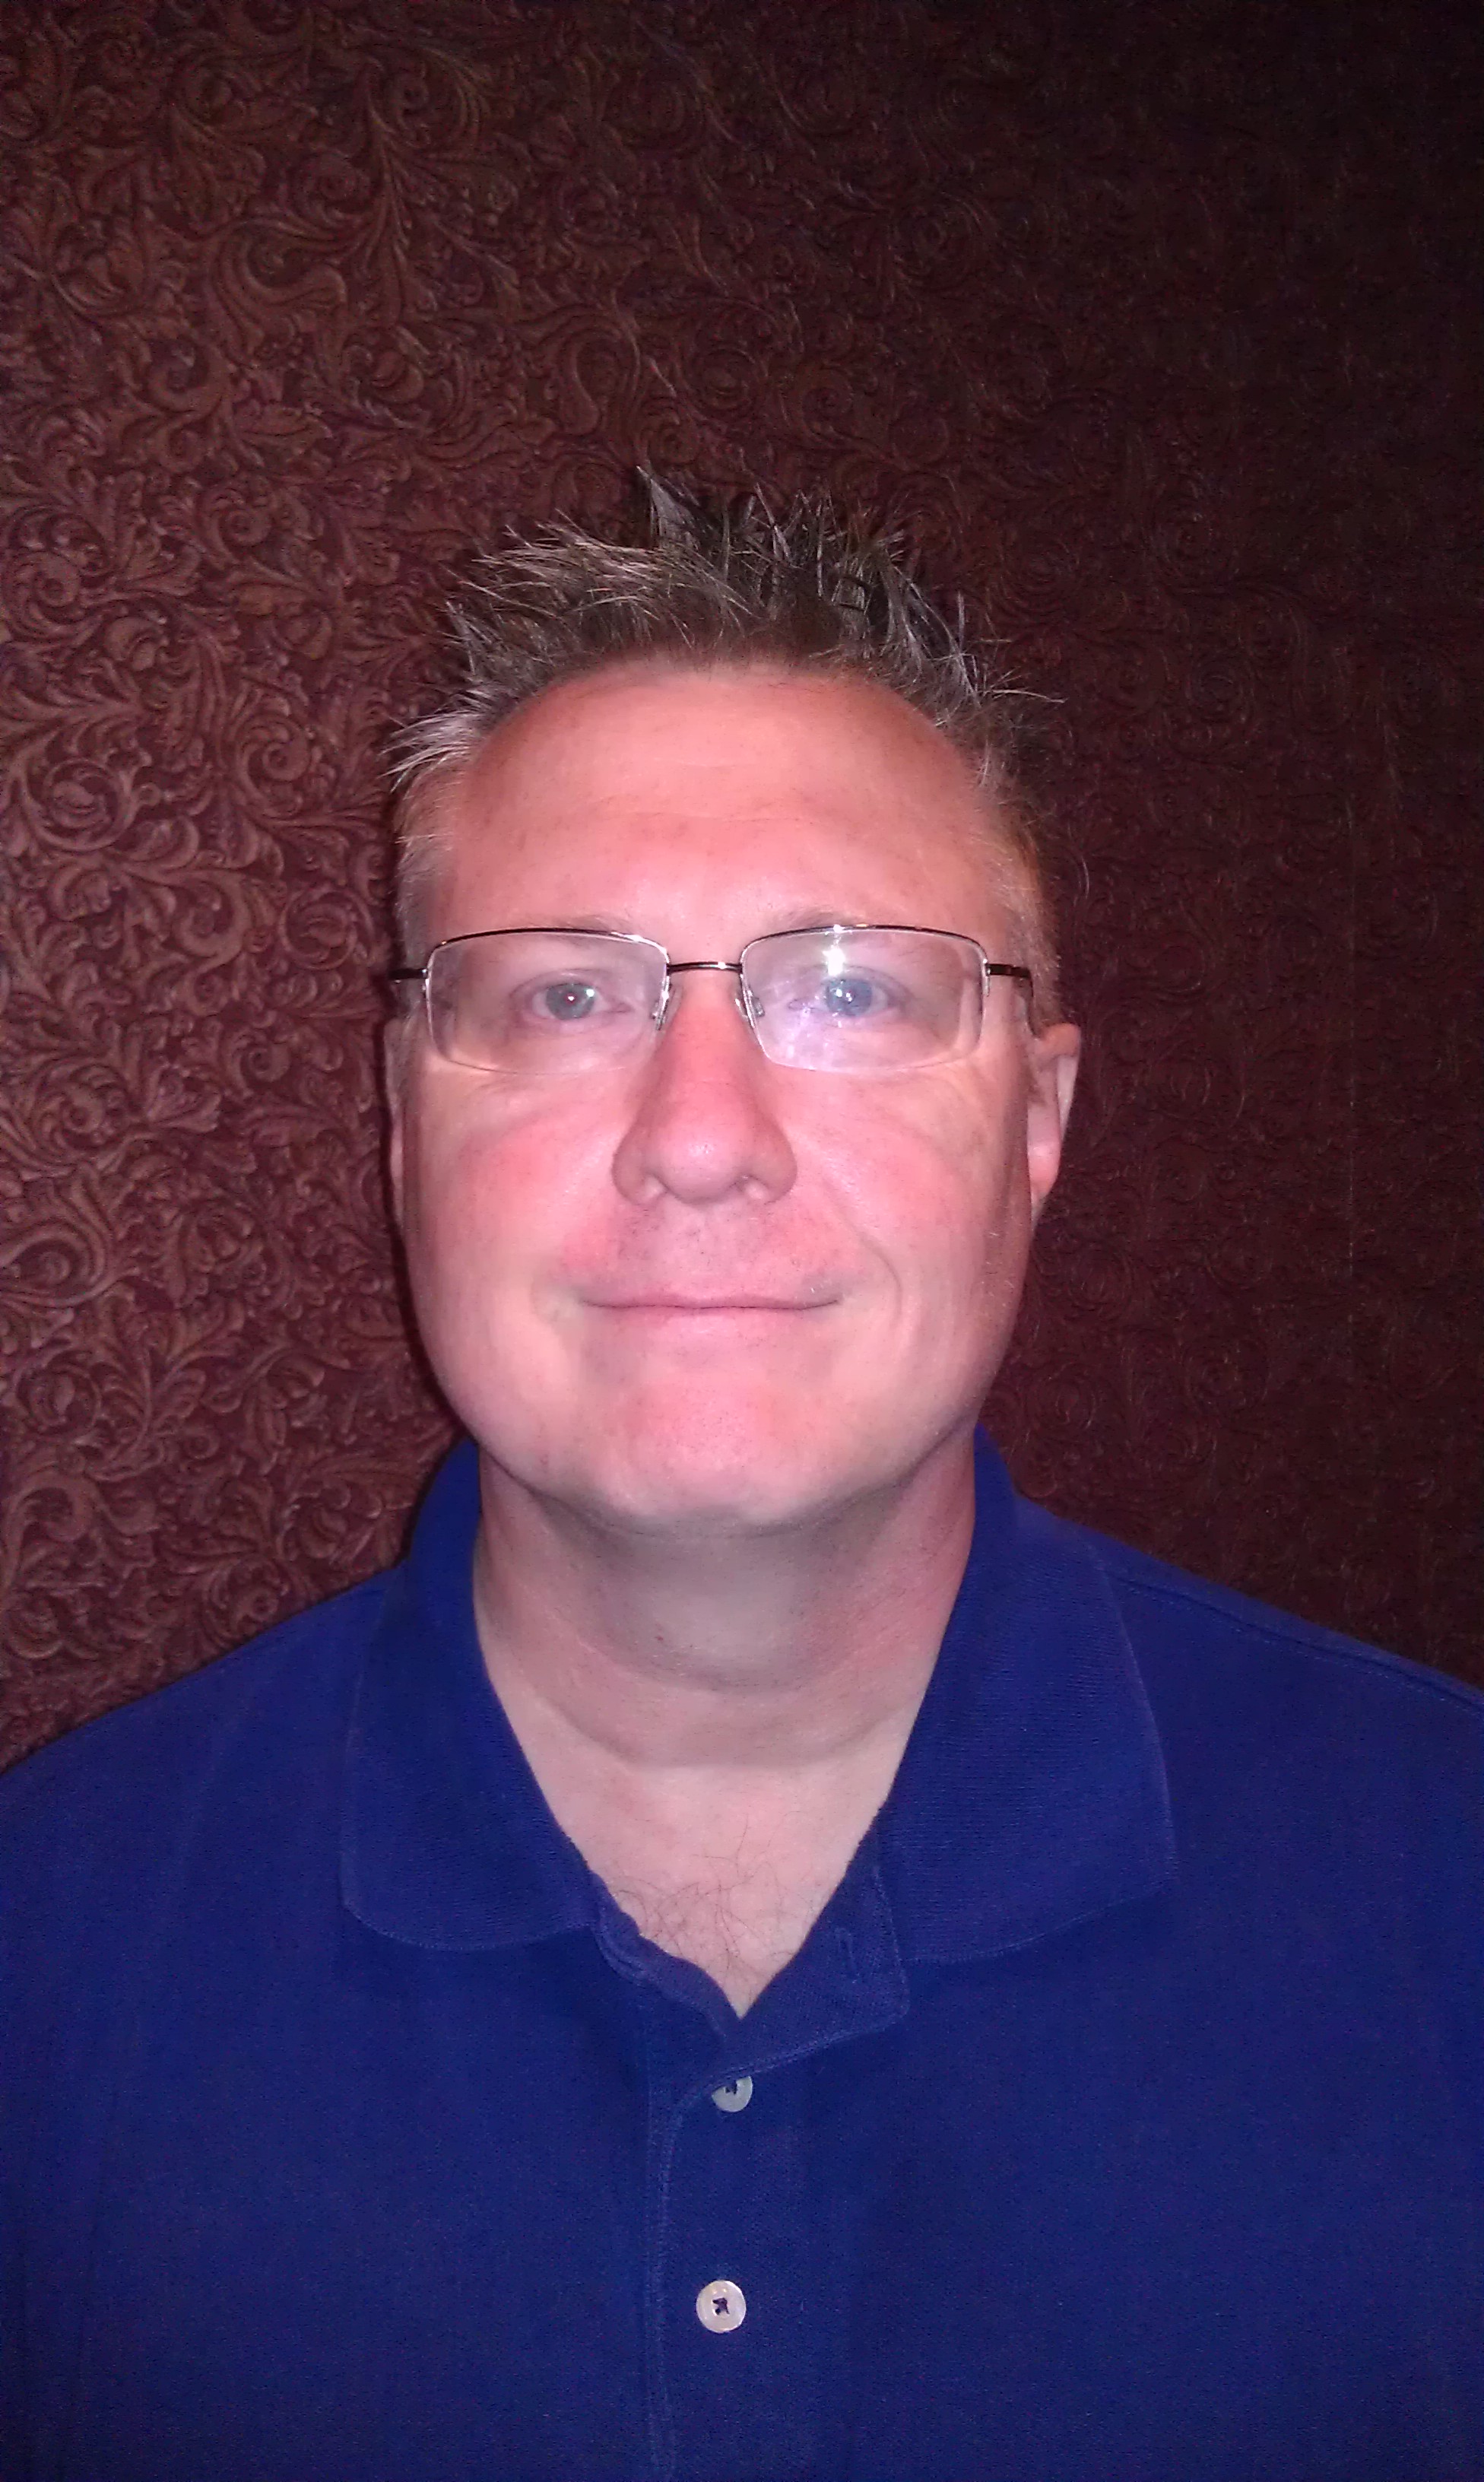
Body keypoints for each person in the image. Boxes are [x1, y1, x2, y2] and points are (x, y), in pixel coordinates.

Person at [1, 480, 1477, 2482]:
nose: (700, 1139)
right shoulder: (47, 1960)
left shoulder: (1445, 1895)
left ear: (1038, 1119)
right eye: (565, 995)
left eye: (852, 990)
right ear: (404, 1128)